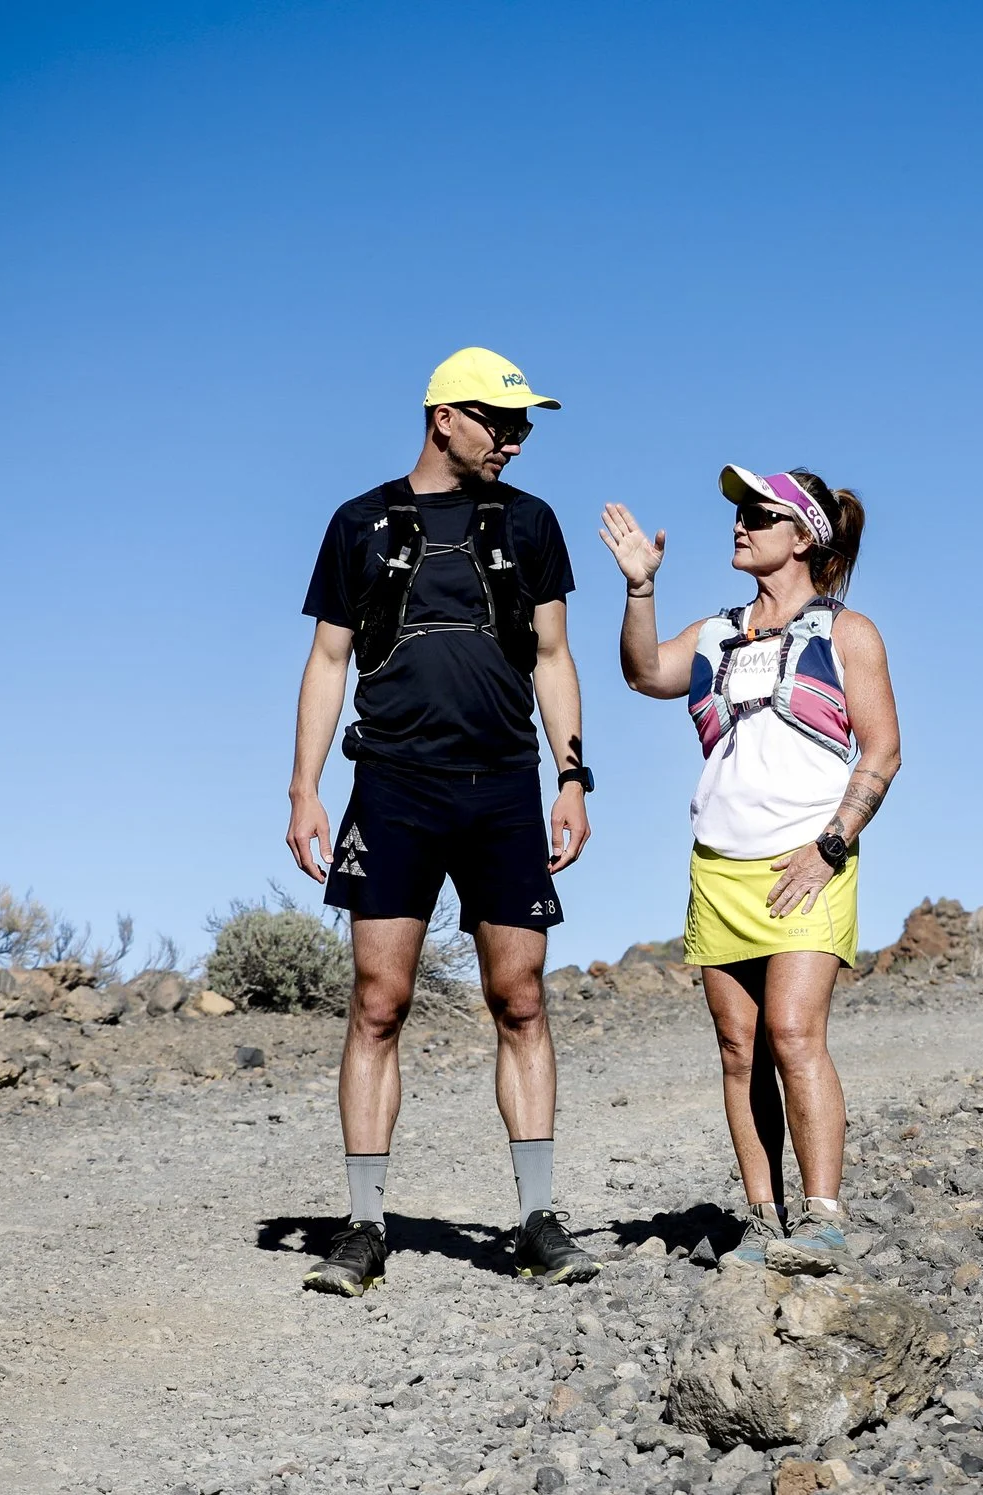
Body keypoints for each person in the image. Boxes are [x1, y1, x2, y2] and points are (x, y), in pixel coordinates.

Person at [287, 346, 601, 1294]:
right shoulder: (360, 522)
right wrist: (304, 789)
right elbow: (328, 660)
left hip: (504, 788)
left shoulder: (532, 523)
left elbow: (553, 655)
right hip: (392, 787)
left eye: (524, 425)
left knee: (522, 997)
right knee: (378, 1001)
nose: (516, 440)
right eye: (502, 422)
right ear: (444, 419)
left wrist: (573, 778)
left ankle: (538, 1221)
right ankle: (364, 1226)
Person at [598, 466, 900, 1269]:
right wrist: (639, 588)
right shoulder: (713, 634)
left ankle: (824, 1219)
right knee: (739, 1047)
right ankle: (766, 1222)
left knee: (794, 1032)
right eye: (739, 511)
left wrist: (831, 845)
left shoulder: (848, 634)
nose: (740, 523)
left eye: (760, 514)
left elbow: (883, 751)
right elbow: (643, 672)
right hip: (719, 866)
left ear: (804, 537)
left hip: (809, 860)